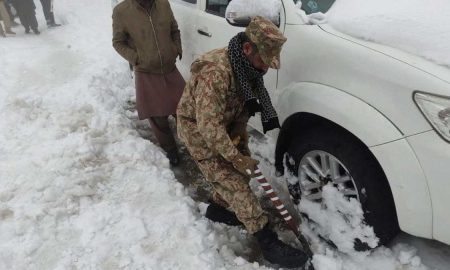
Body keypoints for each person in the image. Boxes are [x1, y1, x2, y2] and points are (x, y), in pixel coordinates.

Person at [177, 16, 308, 269]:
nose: (265, 69)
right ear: (248, 49)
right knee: (236, 185)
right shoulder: (216, 73)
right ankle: (267, 242)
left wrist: (241, 139)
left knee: (240, 173)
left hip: (224, 126)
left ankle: (218, 209)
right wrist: (235, 156)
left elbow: (240, 108)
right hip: (199, 132)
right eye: (263, 61)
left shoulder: (248, 68)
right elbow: (208, 125)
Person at [112, 0, 184, 166]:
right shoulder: (121, 10)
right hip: (146, 71)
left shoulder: (163, 4)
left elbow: (174, 29)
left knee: (184, 108)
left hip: (169, 67)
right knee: (158, 115)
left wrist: (177, 48)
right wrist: (137, 58)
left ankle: (193, 142)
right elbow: (118, 42)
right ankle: (170, 149)